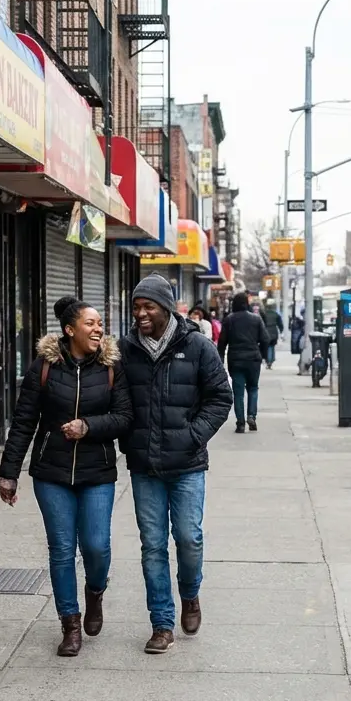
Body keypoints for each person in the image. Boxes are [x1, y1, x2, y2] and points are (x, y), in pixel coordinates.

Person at [0, 296, 131, 658]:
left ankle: (95, 592)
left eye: (100, 323)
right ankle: (70, 624)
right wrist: (9, 473)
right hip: (51, 472)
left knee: (96, 546)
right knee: (60, 550)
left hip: (97, 472)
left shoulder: (110, 368)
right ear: (70, 330)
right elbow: (24, 422)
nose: (98, 329)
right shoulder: (43, 368)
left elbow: (124, 417)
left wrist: (88, 426)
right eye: (90, 323)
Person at [119, 275, 233, 654]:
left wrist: (192, 435)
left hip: (187, 464)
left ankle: (190, 594)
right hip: (144, 466)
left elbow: (220, 398)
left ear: (166, 308)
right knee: (152, 546)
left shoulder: (198, 347)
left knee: (189, 537)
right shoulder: (125, 349)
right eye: (136, 307)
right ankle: (161, 624)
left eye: (148, 306)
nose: (141, 313)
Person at [217, 292, 270, 433]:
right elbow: (265, 339)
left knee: (238, 392)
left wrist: (220, 359)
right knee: (253, 388)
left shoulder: (229, 320)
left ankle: (240, 423)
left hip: (236, 360)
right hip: (253, 359)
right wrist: (264, 356)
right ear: (247, 303)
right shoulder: (256, 319)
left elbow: (222, 342)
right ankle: (251, 416)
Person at [260, 304, 284, 370]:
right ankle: (271, 360)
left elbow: (261, 323)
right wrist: (281, 330)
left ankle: (269, 361)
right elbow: (280, 324)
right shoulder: (276, 314)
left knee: (267, 347)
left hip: (266, 332)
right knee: (272, 347)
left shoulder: (264, 314)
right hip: (274, 332)